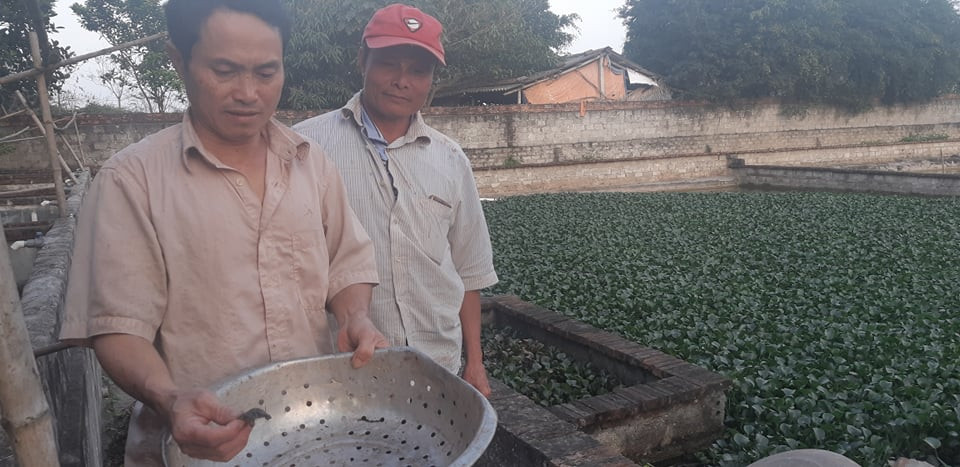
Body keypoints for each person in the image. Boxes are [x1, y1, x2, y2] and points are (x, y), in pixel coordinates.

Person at [58, 0, 387, 464]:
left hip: (314, 432)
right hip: (199, 450)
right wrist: (171, 398)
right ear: (179, 60)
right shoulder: (130, 182)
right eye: (225, 70)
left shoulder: (310, 163)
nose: (248, 93)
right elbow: (117, 327)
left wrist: (355, 316)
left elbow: (346, 262)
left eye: (266, 72)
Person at [294, 4, 499, 397]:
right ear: (362, 62)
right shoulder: (307, 147)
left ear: (430, 80)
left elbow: (468, 270)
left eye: (418, 71)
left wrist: (474, 362)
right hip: (345, 365)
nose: (402, 81)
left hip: (438, 364)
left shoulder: (451, 159)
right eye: (389, 64)